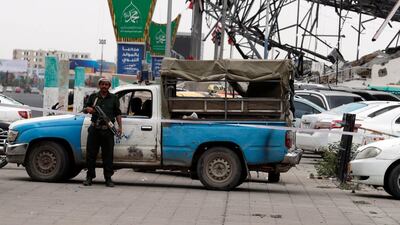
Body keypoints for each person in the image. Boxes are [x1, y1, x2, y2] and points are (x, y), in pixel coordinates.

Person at [82, 77, 122, 187]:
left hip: (108, 130)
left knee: (108, 155)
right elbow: (85, 108)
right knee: (91, 155)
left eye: (106, 84)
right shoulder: (93, 97)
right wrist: (88, 109)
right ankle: (89, 177)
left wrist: (120, 127)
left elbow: (118, 113)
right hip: (95, 129)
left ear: (109, 86)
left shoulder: (114, 98)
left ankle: (108, 178)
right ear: (99, 85)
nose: (104, 86)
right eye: (102, 84)